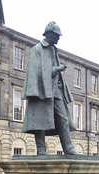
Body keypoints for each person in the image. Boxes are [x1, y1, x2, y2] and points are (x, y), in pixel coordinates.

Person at [22, 21, 77, 155]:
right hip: (41, 90)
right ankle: (41, 149)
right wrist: (57, 69)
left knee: (63, 118)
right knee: (40, 119)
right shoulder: (37, 49)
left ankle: (68, 148)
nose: (59, 38)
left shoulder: (54, 50)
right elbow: (36, 71)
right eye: (57, 35)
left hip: (56, 90)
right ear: (49, 34)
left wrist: (57, 72)